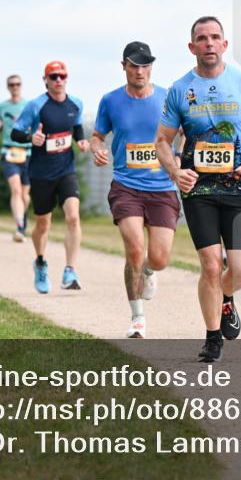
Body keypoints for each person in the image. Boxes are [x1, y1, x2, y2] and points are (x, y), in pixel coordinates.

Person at [155, 16, 241, 362]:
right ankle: (212, 338)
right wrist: (175, 171)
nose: (208, 43)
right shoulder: (180, 90)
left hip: (236, 188)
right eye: (201, 38)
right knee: (211, 265)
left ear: (224, 44)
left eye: (214, 37)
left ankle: (227, 298)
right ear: (191, 47)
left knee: (240, 270)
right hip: (198, 191)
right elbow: (162, 140)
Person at [92, 41, 180, 339]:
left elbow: (184, 133)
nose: (140, 71)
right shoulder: (110, 100)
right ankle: (137, 317)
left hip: (162, 187)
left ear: (151, 68)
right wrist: (97, 149)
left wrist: (180, 158)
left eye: (145, 65)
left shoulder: (168, 98)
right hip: (126, 186)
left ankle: (150, 271)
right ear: (124, 67)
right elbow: (97, 135)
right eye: (134, 65)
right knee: (134, 250)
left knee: (159, 258)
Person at [11, 61, 89, 293]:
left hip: (66, 170)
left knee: (73, 217)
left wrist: (81, 141)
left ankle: (70, 270)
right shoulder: (36, 105)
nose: (58, 80)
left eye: (62, 76)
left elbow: (76, 127)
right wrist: (30, 138)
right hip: (41, 173)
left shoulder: (76, 103)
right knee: (43, 224)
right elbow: (16, 132)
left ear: (67, 78)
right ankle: (40, 262)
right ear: (45, 80)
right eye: (53, 76)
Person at [0, 74, 32, 241]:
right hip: (9, 151)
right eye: (11, 84)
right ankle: (20, 225)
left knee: (24, 195)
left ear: (21, 86)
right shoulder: (1, 106)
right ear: (8, 87)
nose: (15, 87)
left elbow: (36, 125)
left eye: (17, 84)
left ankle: (23, 218)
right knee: (15, 190)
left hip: (27, 152)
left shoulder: (29, 105)